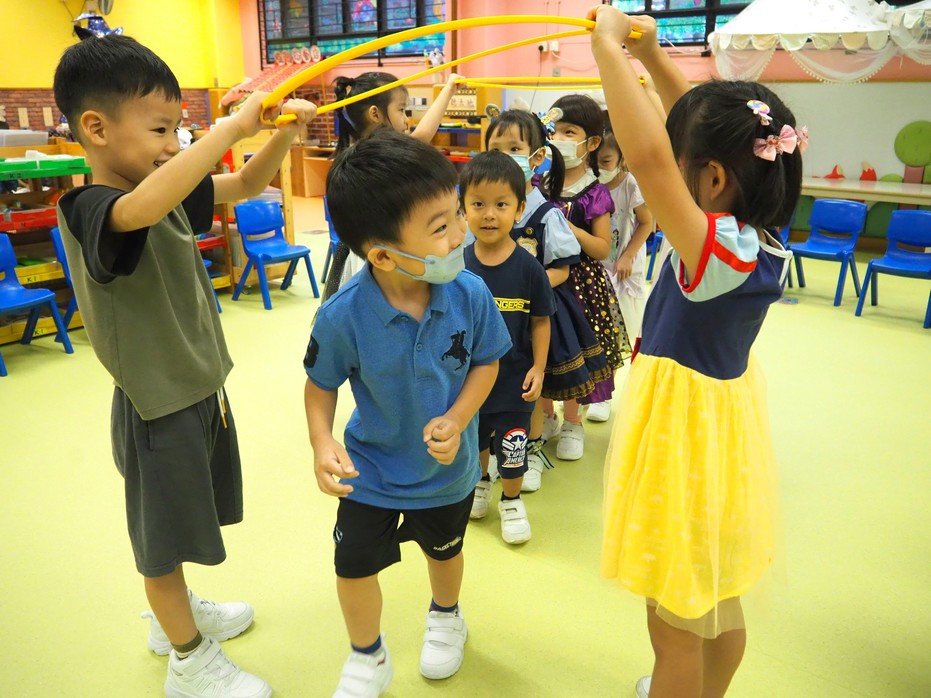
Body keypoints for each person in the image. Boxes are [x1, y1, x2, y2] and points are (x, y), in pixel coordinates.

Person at [53, 34, 316, 697]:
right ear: (96, 129)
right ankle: (187, 660)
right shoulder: (91, 208)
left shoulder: (161, 190)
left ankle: (176, 614)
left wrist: (282, 134)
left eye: (178, 129)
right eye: (161, 129)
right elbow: (135, 212)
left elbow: (245, 183)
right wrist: (229, 128)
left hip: (196, 387)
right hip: (156, 404)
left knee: (181, 521)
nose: (174, 144)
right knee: (161, 543)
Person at [590, 7, 803, 697]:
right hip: (720, 434)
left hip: (682, 439)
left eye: (686, 165)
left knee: (674, 623)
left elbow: (652, 158)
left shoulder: (712, 252)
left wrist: (609, 51)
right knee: (716, 596)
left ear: (711, 180)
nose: (669, 169)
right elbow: (691, 139)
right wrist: (653, 57)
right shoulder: (755, 234)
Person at [303, 130, 511, 696]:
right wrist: (323, 442)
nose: (461, 233)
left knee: (445, 553)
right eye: (440, 228)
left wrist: (459, 419)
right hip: (369, 471)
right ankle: (366, 654)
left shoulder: (470, 294)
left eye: (457, 214)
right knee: (353, 566)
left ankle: (446, 616)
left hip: (445, 472)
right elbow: (320, 385)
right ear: (383, 256)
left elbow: (487, 363)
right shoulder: (342, 316)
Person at [485, 108, 610, 491]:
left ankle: (547, 439)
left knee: (547, 375)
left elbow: (564, 268)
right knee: (505, 381)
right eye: (496, 148)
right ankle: (500, 451)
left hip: (540, 313)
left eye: (514, 149)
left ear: (537, 156)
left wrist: (526, 290)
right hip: (496, 317)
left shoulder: (545, 213)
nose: (505, 157)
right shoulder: (482, 208)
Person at [460, 151, 554, 543]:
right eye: (478, 204)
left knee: (513, 446)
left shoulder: (529, 268)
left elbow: (541, 321)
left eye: (501, 205)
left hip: (515, 381)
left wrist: (538, 368)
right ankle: (481, 482)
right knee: (477, 440)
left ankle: (512, 500)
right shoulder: (458, 265)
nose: (489, 215)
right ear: (463, 208)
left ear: (518, 209)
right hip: (470, 382)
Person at [324, 70, 463, 296]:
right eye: (401, 110)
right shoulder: (372, 163)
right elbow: (423, 135)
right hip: (376, 256)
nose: (407, 119)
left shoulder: (365, 158)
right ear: (375, 114)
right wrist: (448, 89)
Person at [547, 93, 628, 457]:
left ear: (592, 142)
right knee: (544, 349)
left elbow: (601, 249)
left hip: (582, 287)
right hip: (545, 280)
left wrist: (569, 228)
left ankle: (573, 422)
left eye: (570, 132)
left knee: (577, 350)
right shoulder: (539, 183)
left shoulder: (595, 193)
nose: (559, 139)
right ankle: (545, 415)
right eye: (555, 131)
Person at [596, 126, 654, 351]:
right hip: (600, 266)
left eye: (606, 161)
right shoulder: (592, 184)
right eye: (594, 161)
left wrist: (628, 256)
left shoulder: (630, 185)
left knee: (625, 330)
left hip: (624, 266)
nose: (599, 168)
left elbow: (647, 223)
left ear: (622, 159)